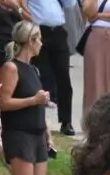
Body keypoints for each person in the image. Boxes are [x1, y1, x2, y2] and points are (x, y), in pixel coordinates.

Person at [0, 21, 50, 175]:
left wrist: (48, 133)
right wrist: (33, 101)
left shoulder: (34, 69)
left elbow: (39, 104)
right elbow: (4, 103)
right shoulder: (12, 68)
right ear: (30, 41)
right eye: (38, 39)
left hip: (37, 133)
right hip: (19, 133)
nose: (41, 44)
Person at [20, 0, 73, 136]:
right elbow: (21, 4)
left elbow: (70, 4)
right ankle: (38, 120)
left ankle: (66, 121)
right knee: (41, 75)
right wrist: (32, 20)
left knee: (64, 76)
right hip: (39, 31)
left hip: (58, 30)